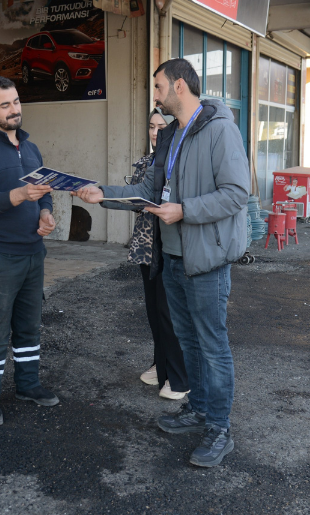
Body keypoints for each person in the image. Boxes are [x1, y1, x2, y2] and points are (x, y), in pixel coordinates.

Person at [74, 59, 249, 467]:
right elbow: (148, 190)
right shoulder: (170, 135)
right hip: (170, 257)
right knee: (187, 341)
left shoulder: (220, 130)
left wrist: (185, 210)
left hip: (205, 259)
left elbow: (236, 193)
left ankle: (220, 429)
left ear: (180, 87)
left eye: (158, 87)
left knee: (212, 345)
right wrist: (104, 194)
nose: (154, 95)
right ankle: (199, 411)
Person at [0, 76, 60, 427]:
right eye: (5, 105)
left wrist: (46, 212)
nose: (14, 109)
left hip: (34, 252)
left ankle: (27, 385)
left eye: (16, 101)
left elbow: (45, 191)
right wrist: (20, 195)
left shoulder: (31, 149)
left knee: (29, 326)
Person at [125, 108, 189, 400]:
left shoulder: (177, 160)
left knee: (168, 313)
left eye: (160, 126)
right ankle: (158, 363)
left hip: (170, 248)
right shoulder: (146, 162)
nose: (154, 132)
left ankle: (179, 376)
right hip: (146, 246)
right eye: (151, 126)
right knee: (153, 311)